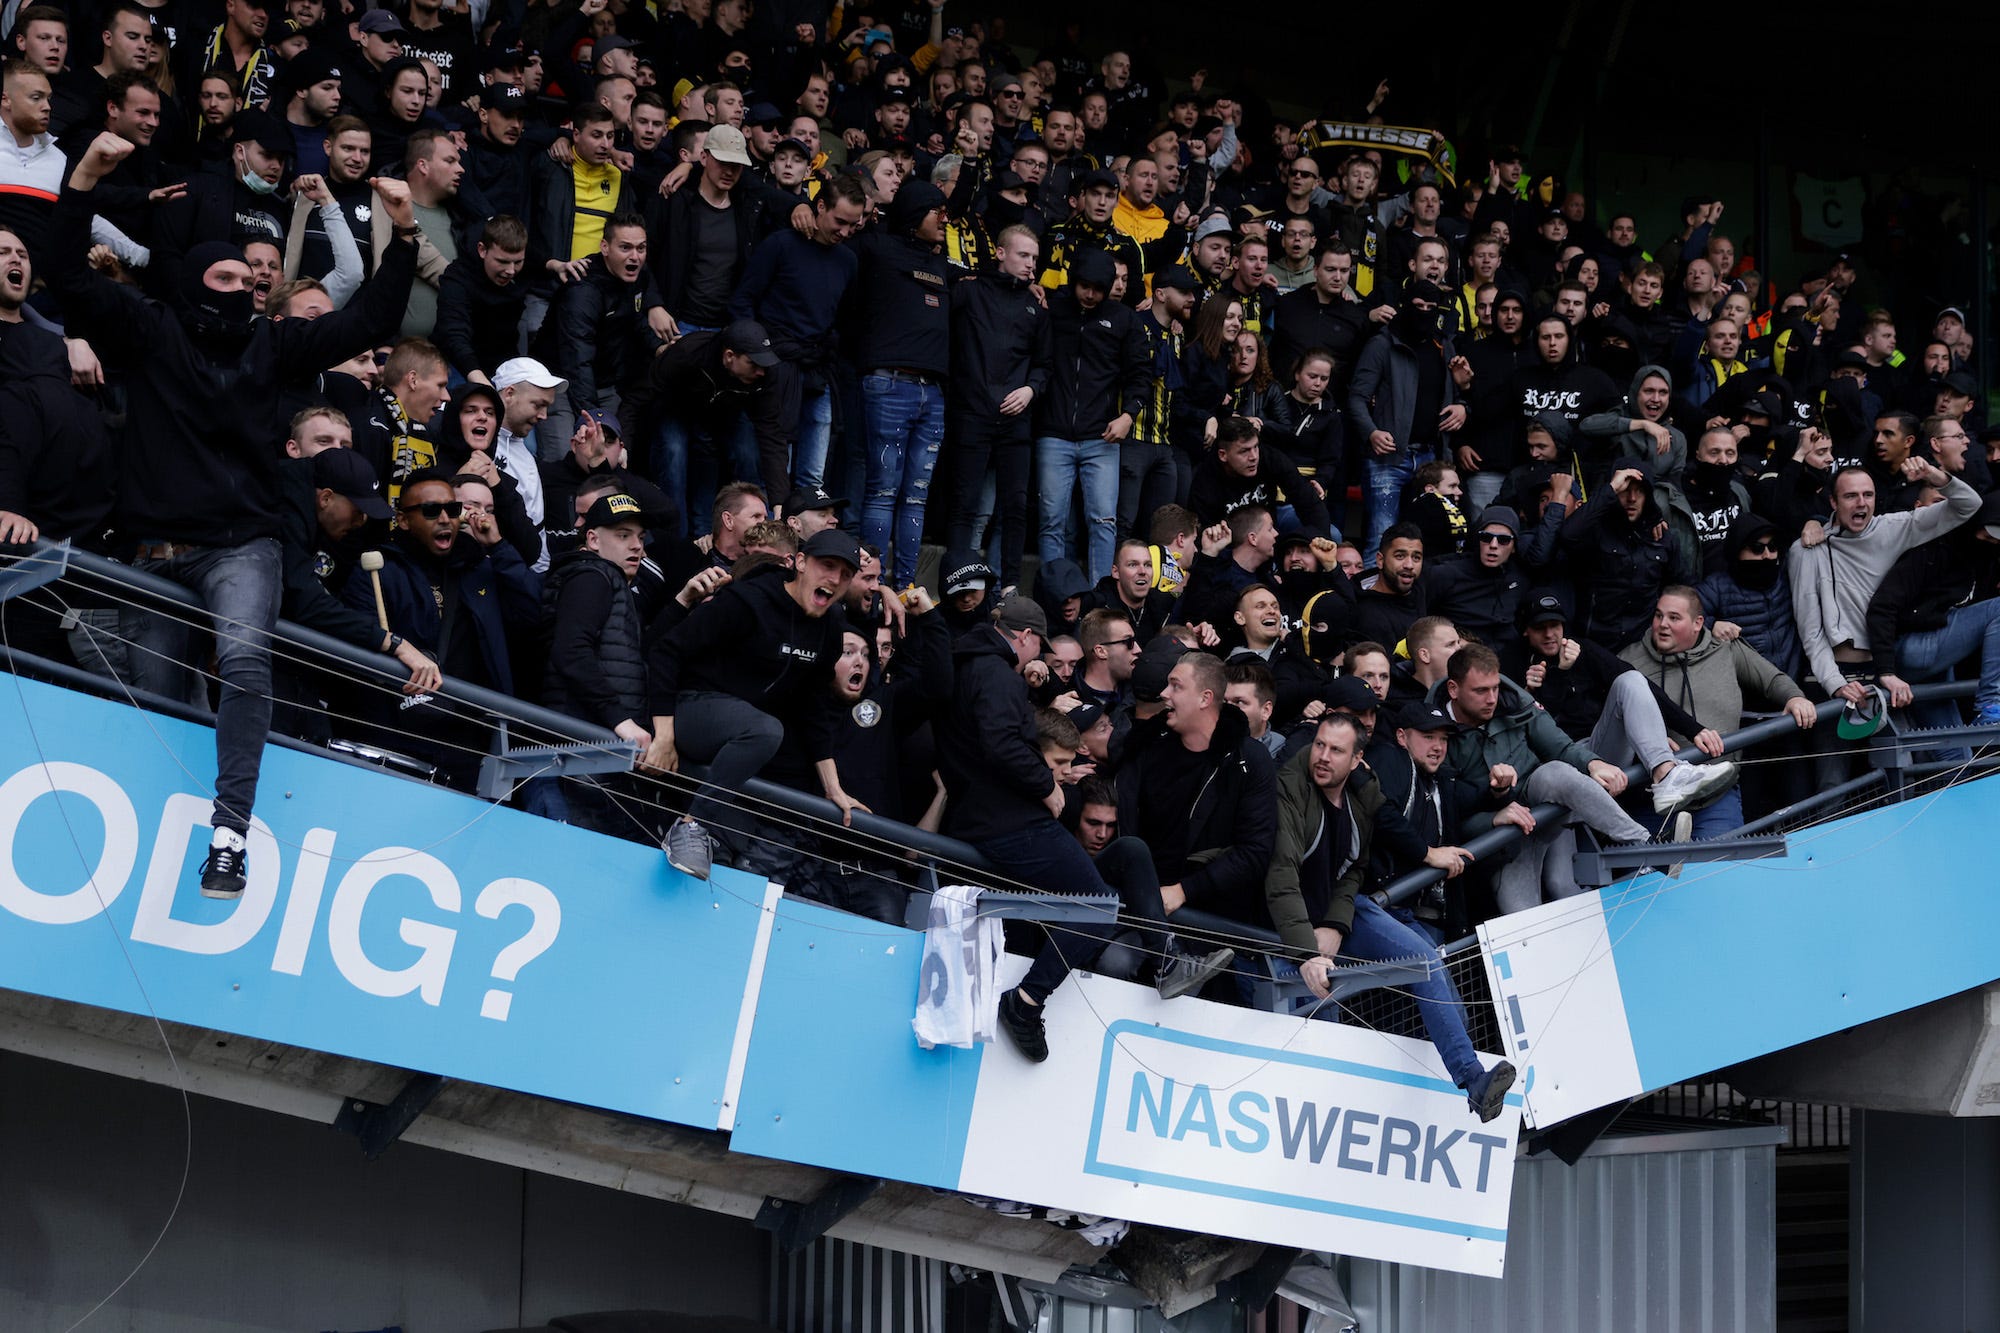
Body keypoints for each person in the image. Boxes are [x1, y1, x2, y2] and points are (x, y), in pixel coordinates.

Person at [50, 131, 418, 899]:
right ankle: (145, 842)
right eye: (222, 275)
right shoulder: (152, 334)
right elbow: (66, 276)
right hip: (153, 547)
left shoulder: (272, 345)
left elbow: (368, 322)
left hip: (240, 548)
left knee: (246, 664)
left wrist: (406, 234)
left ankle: (229, 835)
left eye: (246, 281)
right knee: (159, 699)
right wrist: (82, 181)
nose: (240, 289)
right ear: (189, 283)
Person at [942, 599, 1233, 1062]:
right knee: (1096, 909)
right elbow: (1002, 743)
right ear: (1028, 638)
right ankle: (1025, 1002)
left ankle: (1167, 962)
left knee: (1130, 850)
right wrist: (1046, 785)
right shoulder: (993, 674)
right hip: (1007, 822)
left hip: (1008, 816)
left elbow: (1012, 734)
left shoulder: (990, 672)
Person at [1265, 710, 1515, 1122]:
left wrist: (1335, 923)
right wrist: (1308, 949)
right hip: (1290, 924)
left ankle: (1474, 1081)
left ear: (1357, 760)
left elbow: (1354, 871)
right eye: (1320, 746)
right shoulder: (1289, 789)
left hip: (1342, 913)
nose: (1323, 757)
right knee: (1321, 1018)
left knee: (1425, 960)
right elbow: (1281, 878)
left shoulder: (1363, 793)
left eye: (1336, 750)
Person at [645, 527, 869, 879]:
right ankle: (690, 827)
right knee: (767, 731)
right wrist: (664, 735)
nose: (835, 578)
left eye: (845, 574)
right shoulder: (747, 601)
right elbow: (666, 651)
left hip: (741, 733)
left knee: (768, 737)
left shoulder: (831, 628)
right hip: (688, 708)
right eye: (827, 566)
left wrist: (833, 789)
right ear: (799, 562)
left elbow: (814, 709)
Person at [1431, 643, 1661, 915]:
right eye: (1481, 691)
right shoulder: (1434, 734)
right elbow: (1448, 818)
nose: (1492, 698)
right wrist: (1494, 817)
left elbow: (1559, 746)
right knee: (1524, 922)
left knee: (1555, 771)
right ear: (1454, 690)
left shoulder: (1512, 700)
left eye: (1494, 687)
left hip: (1540, 802)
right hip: (1500, 843)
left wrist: (1593, 763)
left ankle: (1641, 843)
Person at [1618, 586, 1815, 832]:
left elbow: (1772, 679)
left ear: (1698, 623)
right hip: (1653, 801)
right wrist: (1645, 741)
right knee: (1651, 872)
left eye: (1674, 618)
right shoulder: (1629, 661)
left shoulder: (1724, 648)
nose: (1662, 624)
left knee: (1720, 868)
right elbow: (1608, 721)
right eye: (1659, 616)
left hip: (1717, 796)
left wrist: (1795, 697)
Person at [1791, 460, 1979, 706]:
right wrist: (1835, 683)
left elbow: (1969, 505)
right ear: (1833, 503)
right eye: (1850, 496)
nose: (1861, 503)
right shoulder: (1807, 548)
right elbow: (1811, 631)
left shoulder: (1892, 527)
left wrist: (1933, 475)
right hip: (1831, 677)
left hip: (1885, 670)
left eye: (1868, 495)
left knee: (1902, 744)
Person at [538, 491, 655, 835]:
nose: (637, 547)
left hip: (594, 756)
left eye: (640, 537)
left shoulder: (605, 578)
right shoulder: (592, 576)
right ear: (592, 539)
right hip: (580, 754)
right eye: (623, 536)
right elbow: (571, 651)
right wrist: (621, 721)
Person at [946, 223, 1050, 586]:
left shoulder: (1034, 306)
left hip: (1016, 418)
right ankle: (955, 581)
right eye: (1023, 255)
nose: (1030, 265)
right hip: (972, 412)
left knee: (1017, 506)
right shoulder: (970, 292)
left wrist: (1031, 391)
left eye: (1034, 258)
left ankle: (1009, 586)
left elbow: (1044, 363)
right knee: (965, 502)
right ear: (1000, 253)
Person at [1036, 247, 1144, 582]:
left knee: (1102, 521)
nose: (1091, 294)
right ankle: (1055, 592)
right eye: (1085, 286)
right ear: (1073, 281)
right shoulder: (1051, 309)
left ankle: (1100, 596)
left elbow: (1140, 374)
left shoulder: (1124, 319)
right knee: (1052, 520)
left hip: (1103, 436)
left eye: (1099, 288)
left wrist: (1128, 415)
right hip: (1053, 433)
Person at [1347, 278, 1464, 553]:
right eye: (1417, 305)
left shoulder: (1444, 345)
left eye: (1430, 307)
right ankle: (1373, 595)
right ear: (1404, 306)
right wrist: (1372, 432)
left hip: (1432, 457)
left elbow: (1456, 395)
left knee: (1429, 537)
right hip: (1388, 458)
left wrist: (1463, 406)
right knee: (1382, 537)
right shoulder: (1382, 344)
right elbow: (1356, 398)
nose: (1424, 312)